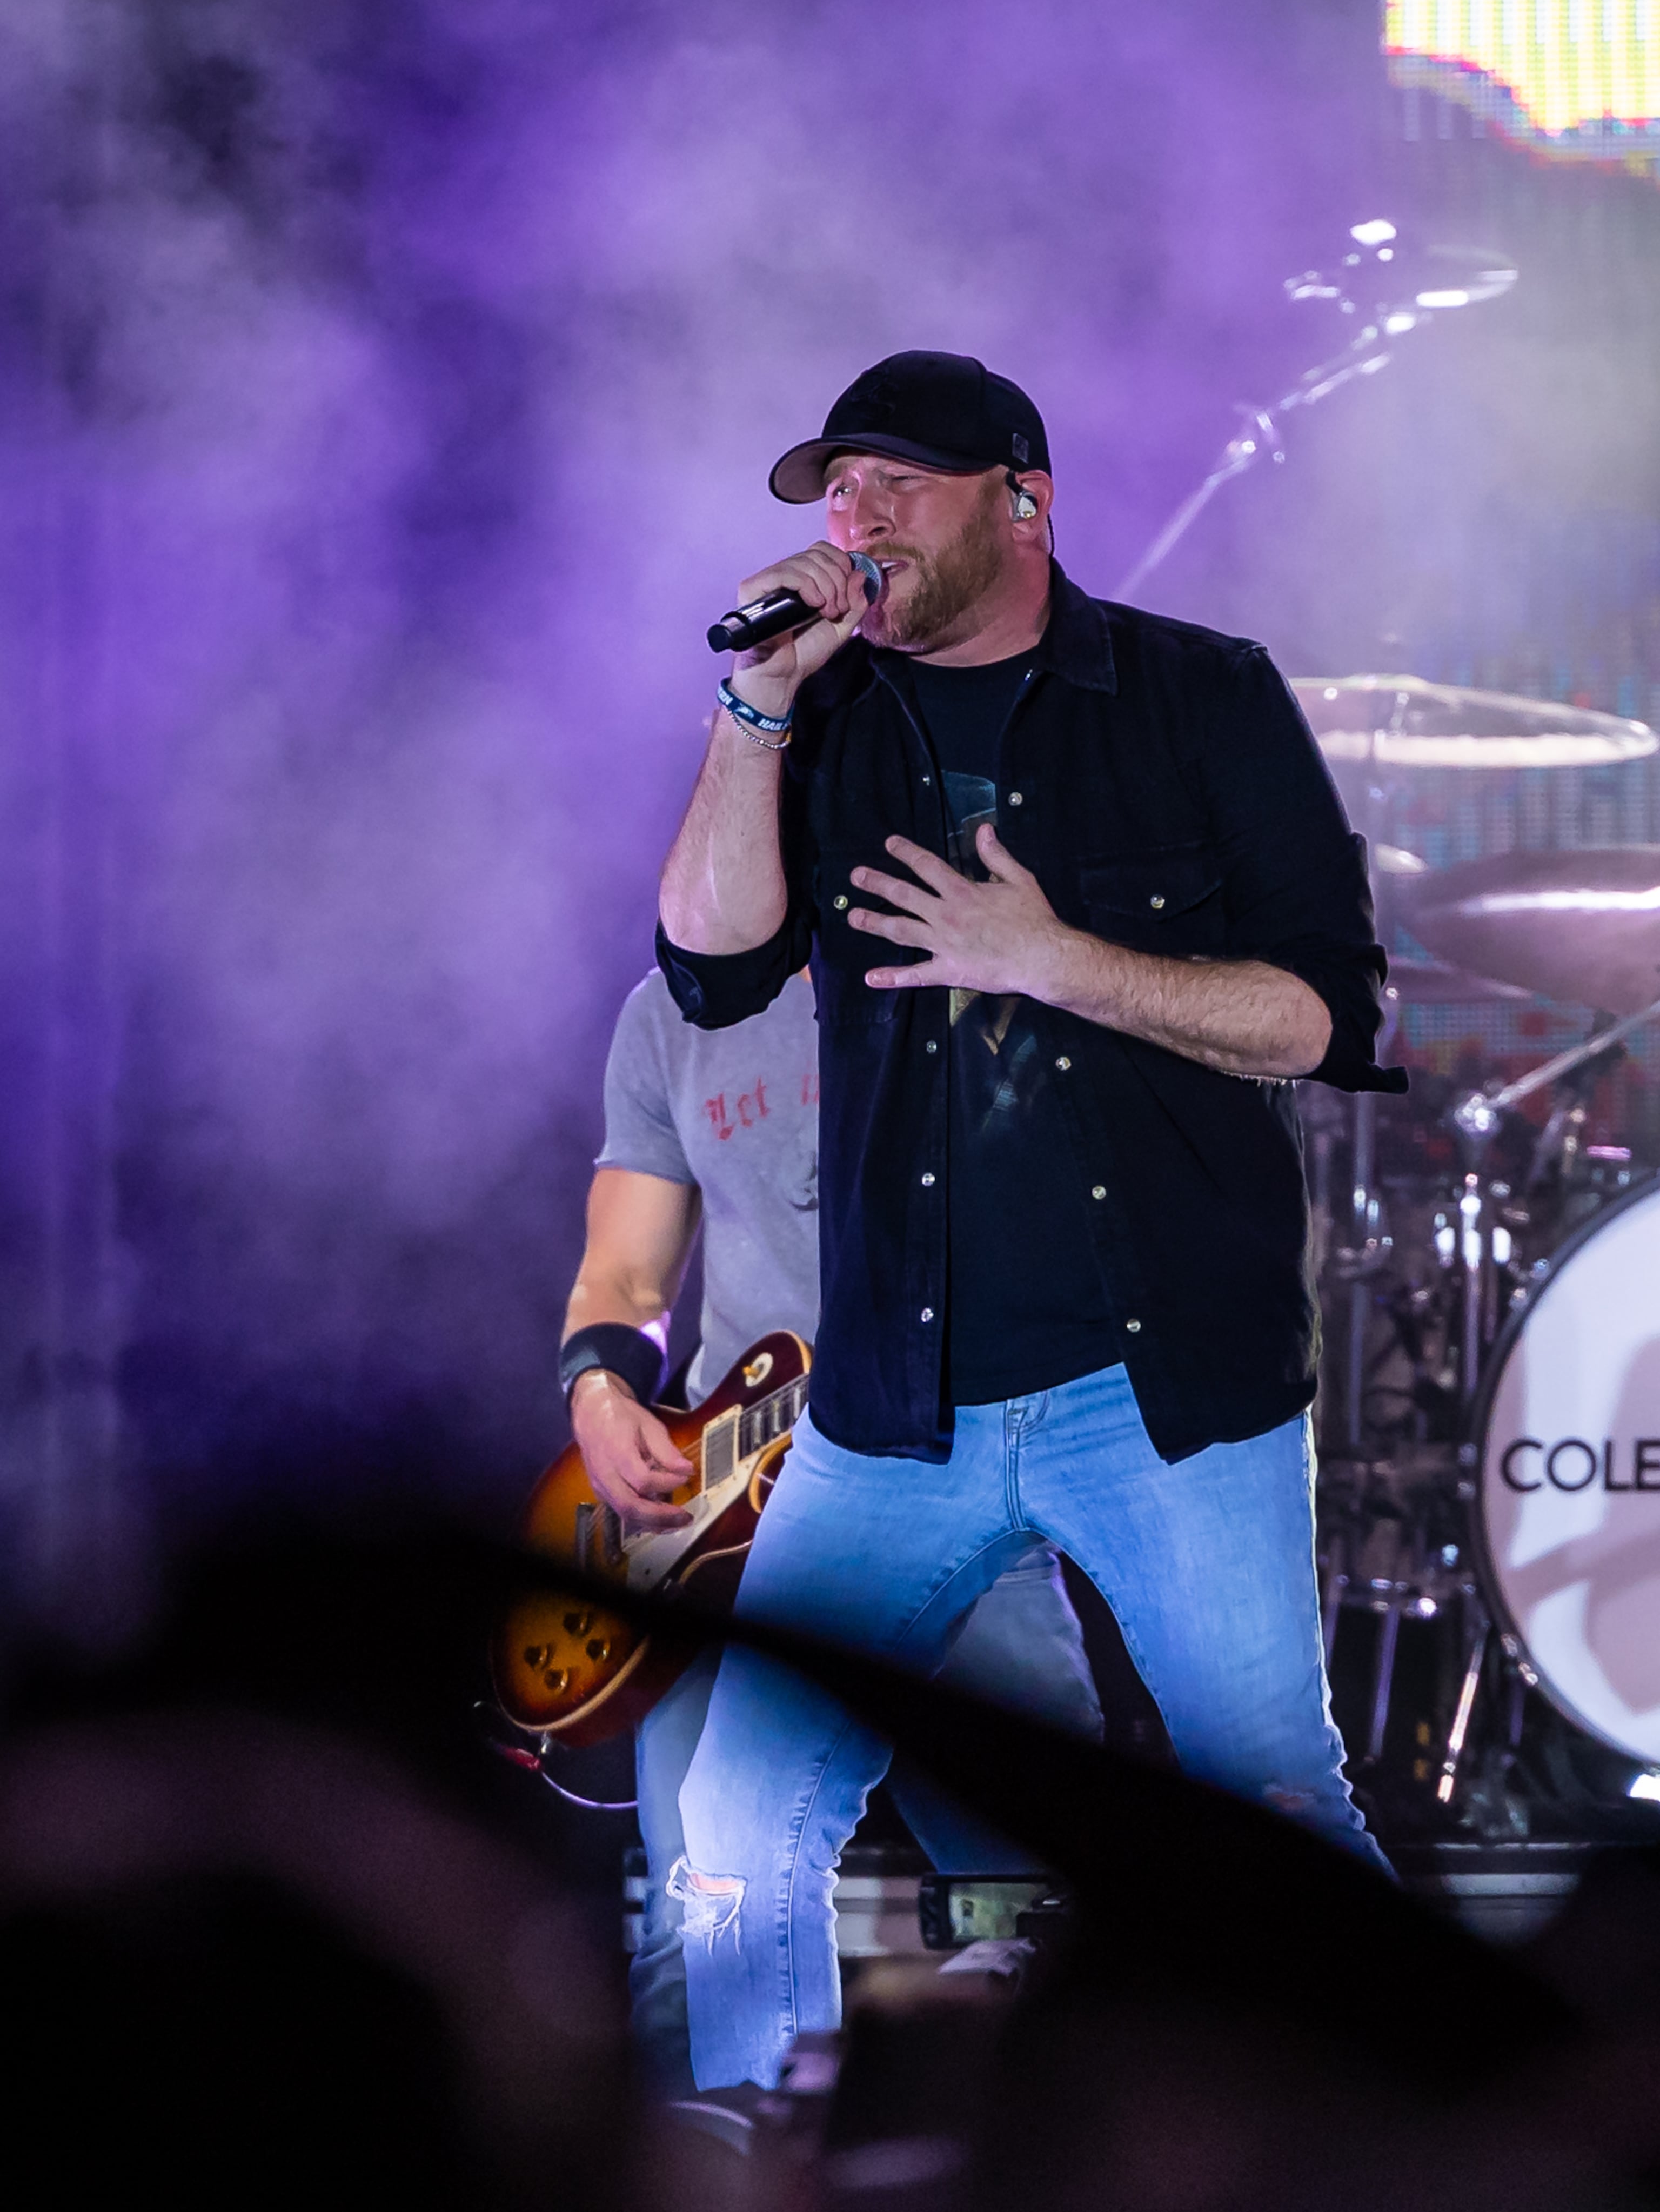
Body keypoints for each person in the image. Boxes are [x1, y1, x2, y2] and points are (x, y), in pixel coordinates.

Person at [653, 346, 1399, 2091]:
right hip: (897, 1402)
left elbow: (1324, 1015)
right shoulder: (821, 722)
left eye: (896, 485)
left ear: (1025, 502)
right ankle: (758, 2203)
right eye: (838, 494)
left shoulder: (1199, 700)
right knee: (740, 1810)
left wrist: (1055, 963)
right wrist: (753, 704)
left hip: (1162, 1397)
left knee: (1276, 1806)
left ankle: (1435, 2154)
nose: (858, 520)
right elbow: (704, 963)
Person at [560, 958, 1102, 2084]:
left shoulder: (973, 969)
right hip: (722, 1526)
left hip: (950, 1488)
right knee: (699, 1925)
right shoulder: (671, 1012)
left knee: (1034, 1907)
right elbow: (622, 1272)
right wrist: (603, 1395)